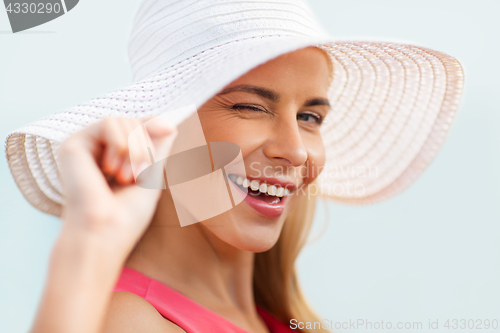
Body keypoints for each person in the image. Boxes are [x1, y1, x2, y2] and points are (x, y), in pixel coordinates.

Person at [4, 1, 464, 333]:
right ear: (161, 126)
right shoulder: (132, 322)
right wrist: (90, 241)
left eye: (309, 117)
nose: (297, 151)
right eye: (249, 107)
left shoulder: (274, 315)